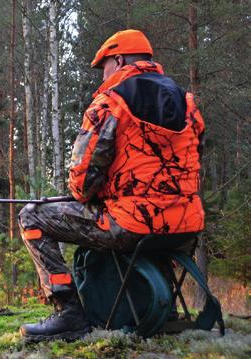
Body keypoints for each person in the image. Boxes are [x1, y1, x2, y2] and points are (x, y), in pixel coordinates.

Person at [18, 29, 205, 342]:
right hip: (187, 225)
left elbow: (82, 181)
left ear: (118, 59)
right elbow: (191, 157)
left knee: (32, 216)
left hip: (134, 225)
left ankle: (69, 314)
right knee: (140, 217)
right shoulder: (185, 101)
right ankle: (157, 307)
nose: (101, 75)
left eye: (103, 66)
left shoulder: (110, 103)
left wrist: (99, 195)